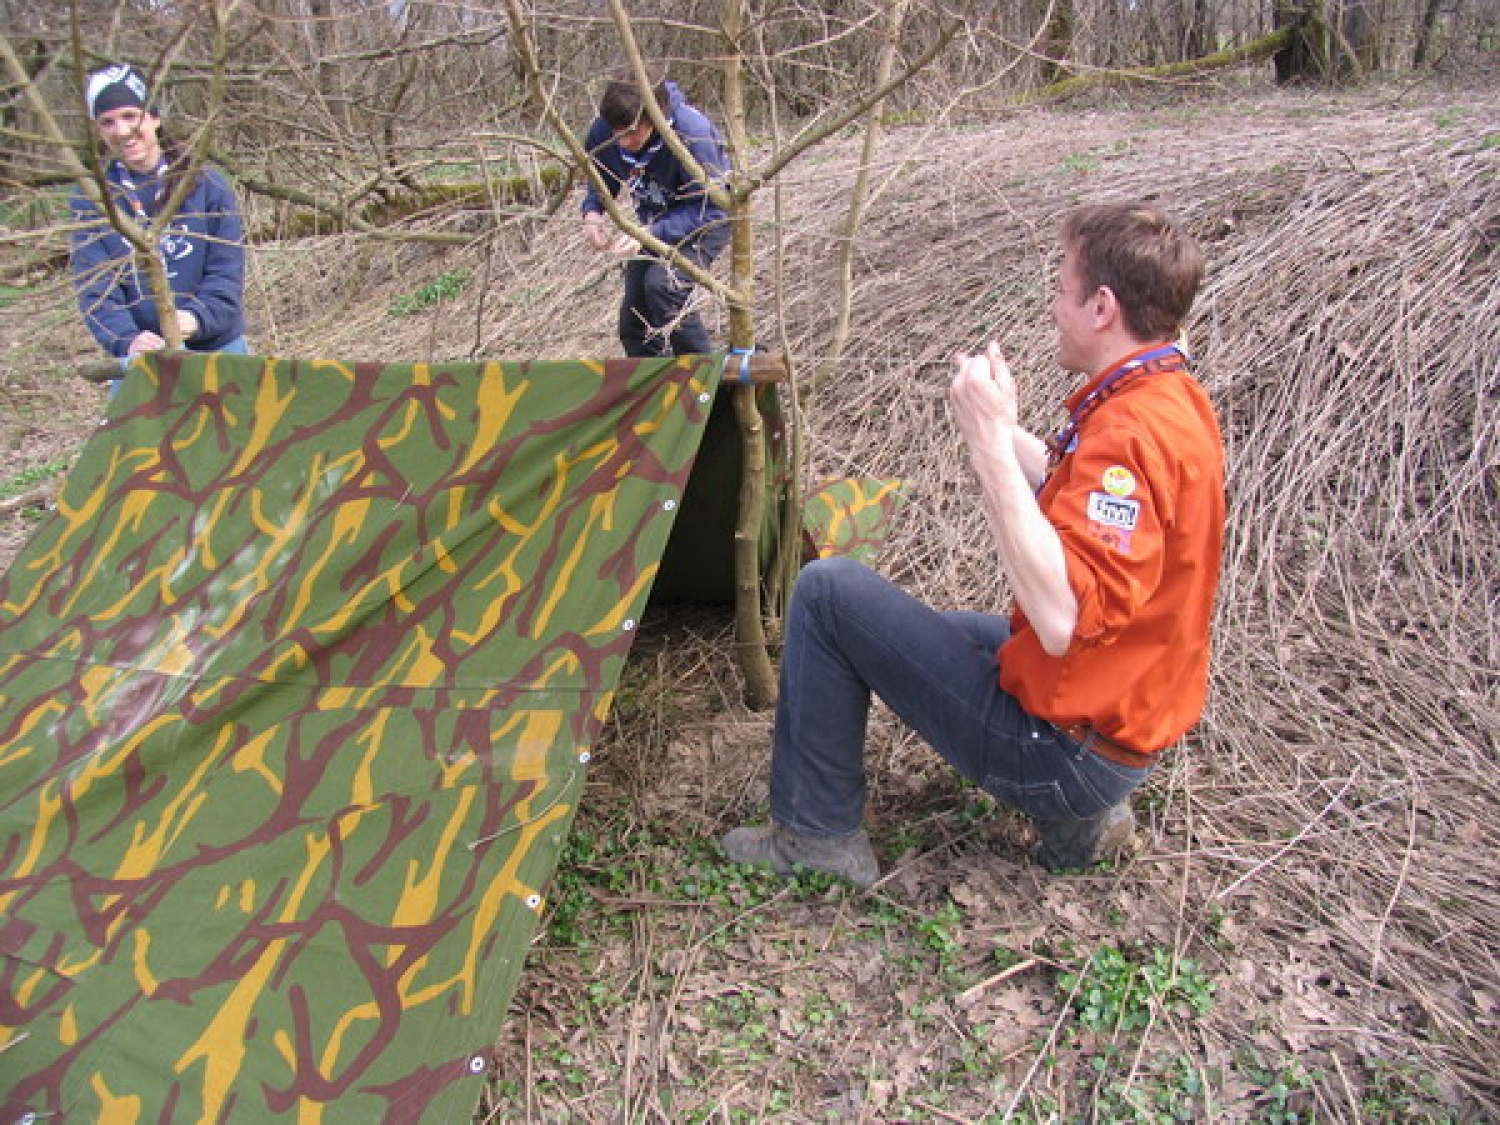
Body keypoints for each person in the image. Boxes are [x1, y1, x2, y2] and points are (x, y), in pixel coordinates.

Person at [724, 202, 1225, 886]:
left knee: (827, 593)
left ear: (1102, 307)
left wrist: (991, 447)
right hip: (1120, 723)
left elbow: (1060, 621)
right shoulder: (1166, 396)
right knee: (943, 633)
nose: (1053, 306)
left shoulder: (1131, 434)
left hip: (1063, 754)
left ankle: (815, 838)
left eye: (1061, 287)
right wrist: (991, 424)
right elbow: (1075, 483)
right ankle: (1091, 817)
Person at [70, 63, 248, 367]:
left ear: (154, 117)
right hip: (144, 360)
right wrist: (127, 339)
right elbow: (96, 291)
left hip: (218, 350)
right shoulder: (93, 200)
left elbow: (226, 274)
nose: (122, 131)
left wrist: (195, 319)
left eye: (130, 116)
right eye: (108, 122)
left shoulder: (208, 185)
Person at [580, 73, 729, 357]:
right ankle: (652, 394)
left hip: (704, 220)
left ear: (656, 117)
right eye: (616, 133)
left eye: (631, 134)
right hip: (656, 220)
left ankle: (704, 386)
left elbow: (714, 208)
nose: (621, 142)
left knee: (664, 287)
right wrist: (593, 212)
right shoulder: (607, 128)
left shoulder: (691, 133)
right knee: (635, 323)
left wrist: (652, 233)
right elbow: (601, 177)